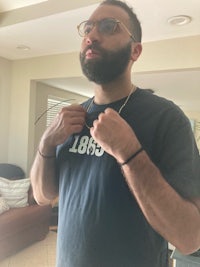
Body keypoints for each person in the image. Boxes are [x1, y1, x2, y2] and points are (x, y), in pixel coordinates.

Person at [30, 0, 200, 266]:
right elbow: (42, 195)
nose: (92, 36)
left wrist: (130, 153)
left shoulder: (168, 118)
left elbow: (190, 238)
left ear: (135, 51)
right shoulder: (70, 119)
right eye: (88, 28)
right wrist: (47, 143)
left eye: (110, 27)